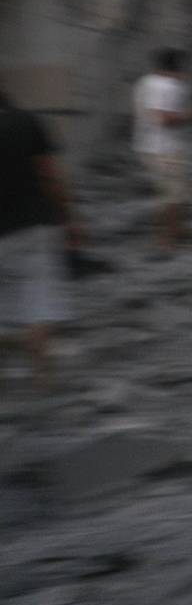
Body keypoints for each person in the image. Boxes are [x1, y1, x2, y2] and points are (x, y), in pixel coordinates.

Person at [0, 89, 81, 389]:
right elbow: (51, 175)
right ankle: (42, 373)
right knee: (39, 298)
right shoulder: (27, 121)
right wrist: (70, 218)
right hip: (33, 224)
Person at [132, 48, 192, 253]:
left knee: (170, 193)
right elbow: (165, 119)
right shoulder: (170, 86)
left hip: (146, 145)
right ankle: (167, 239)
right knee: (172, 195)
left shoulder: (144, 82)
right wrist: (191, 115)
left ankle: (177, 232)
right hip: (166, 148)